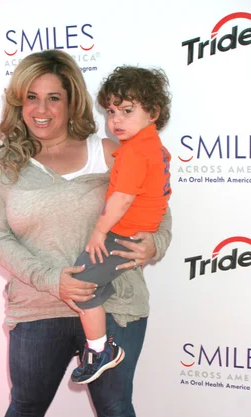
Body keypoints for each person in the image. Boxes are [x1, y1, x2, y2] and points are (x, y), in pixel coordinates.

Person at [0, 49, 172, 417]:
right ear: (18, 105)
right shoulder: (2, 166)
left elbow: (156, 206)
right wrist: (52, 279)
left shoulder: (112, 150)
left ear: (71, 100)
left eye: (53, 98)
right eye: (30, 98)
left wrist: (156, 244)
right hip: (39, 304)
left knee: (114, 407)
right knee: (27, 403)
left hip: (116, 302)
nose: (41, 109)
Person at [71, 66, 171, 385]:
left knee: (79, 286)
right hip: (132, 232)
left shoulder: (133, 154)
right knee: (88, 284)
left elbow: (122, 199)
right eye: (112, 111)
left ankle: (100, 350)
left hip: (121, 236)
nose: (116, 120)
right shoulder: (154, 147)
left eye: (127, 111)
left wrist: (100, 231)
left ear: (153, 112)